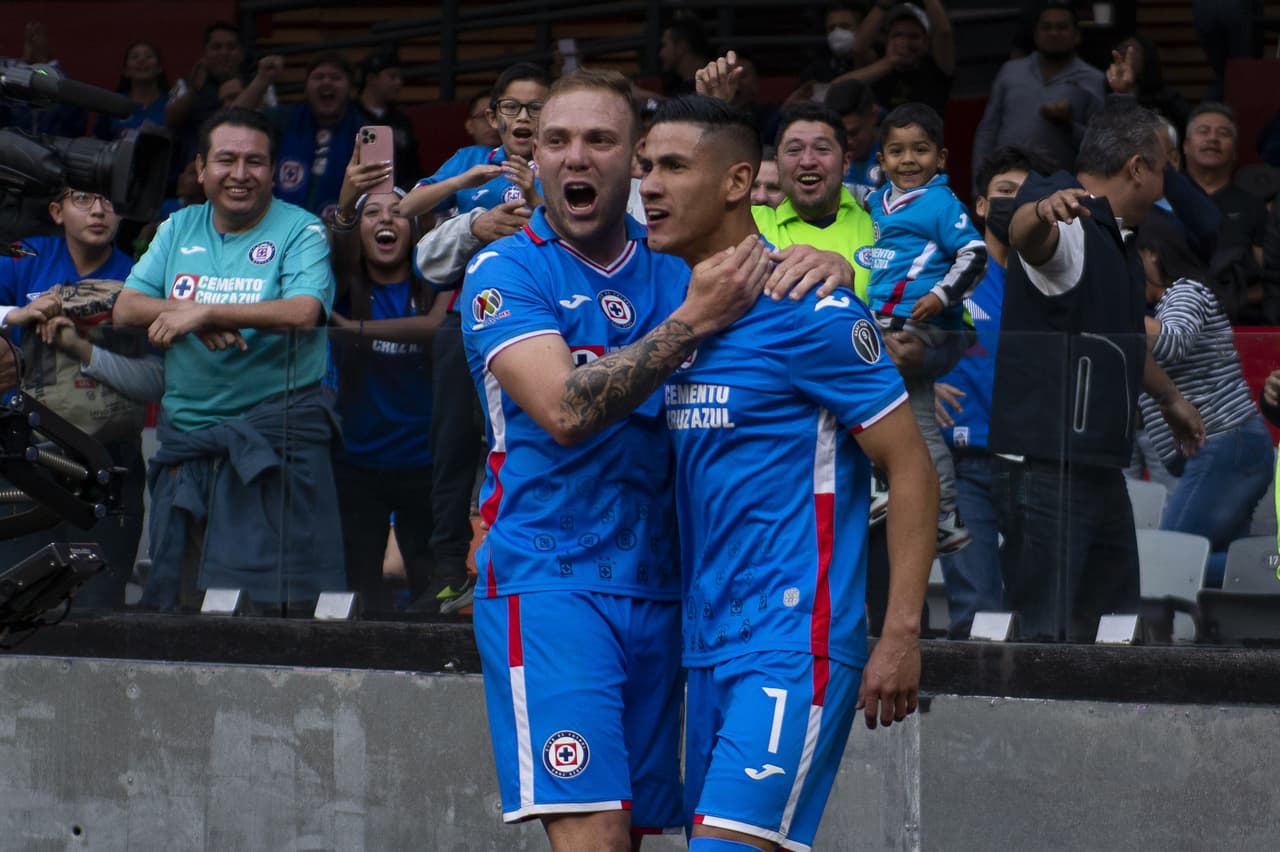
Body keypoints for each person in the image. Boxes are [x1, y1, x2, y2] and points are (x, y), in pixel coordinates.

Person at [459, 67, 845, 851]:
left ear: (634, 160)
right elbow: (565, 411)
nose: (575, 158)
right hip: (551, 579)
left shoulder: (677, 258)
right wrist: (693, 322)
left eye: (601, 141)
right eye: (556, 141)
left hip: (672, 593)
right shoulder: (505, 273)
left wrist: (822, 267)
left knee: (636, 831)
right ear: (530, 159)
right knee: (595, 834)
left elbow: (775, 277)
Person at [638, 93, 934, 852]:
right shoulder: (672, 313)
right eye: (645, 166)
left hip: (792, 641)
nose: (648, 185)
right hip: (700, 648)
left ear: (738, 181)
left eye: (673, 166)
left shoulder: (815, 309)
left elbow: (909, 467)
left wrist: (899, 633)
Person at [114, 107, 345, 613]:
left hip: (272, 443)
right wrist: (194, 314)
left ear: (272, 169)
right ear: (200, 168)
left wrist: (205, 313)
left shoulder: (301, 231)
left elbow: (305, 311)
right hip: (188, 443)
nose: (240, 174)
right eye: (226, 160)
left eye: (254, 162)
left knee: (270, 605)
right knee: (184, 599)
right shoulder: (178, 226)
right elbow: (127, 305)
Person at [989, 104, 1206, 642]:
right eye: (1163, 168)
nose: (1166, 185)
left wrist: (1170, 398)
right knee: (1046, 634)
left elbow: (1119, 337)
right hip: (1047, 469)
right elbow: (1026, 238)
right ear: (1137, 167)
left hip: (1098, 469)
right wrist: (1039, 213)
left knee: (1113, 628)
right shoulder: (1068, 217)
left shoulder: (1115, 235)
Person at [0, 188, 143, 609]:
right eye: (83, 199)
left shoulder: (139, 274)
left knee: (97, 602)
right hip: (25, 453)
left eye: (110, 201)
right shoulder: (26, 255)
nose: (99, 211)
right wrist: (14, 314)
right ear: (55, 211)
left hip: (109, 458)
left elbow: (155, 375)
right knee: (17, 594)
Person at [934, 145, 1052, 637]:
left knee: (1039, 609)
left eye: (1026, 196)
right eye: (1004, 192)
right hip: (962, 467)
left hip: (1034, 464)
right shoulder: (947, 272)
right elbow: (886, 332)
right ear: (980, 205)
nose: (1014, 203)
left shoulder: (1050, 280)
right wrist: (922, 379)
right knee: (977, 610)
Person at [327, 147, 447, 613]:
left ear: (415, 228)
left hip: (426, 462)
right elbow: (337, 248)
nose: (386, 220)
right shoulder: (339, 285)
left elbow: (438, 328)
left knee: (426, 586)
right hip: (357, 463)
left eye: (399, 212)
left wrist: (354, 331)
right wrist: (344, 204)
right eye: (371, 212)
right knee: (358, 587)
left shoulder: (437, 282)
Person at [866, 102, 987, 554]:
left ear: (941, 158)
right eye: (896, 151)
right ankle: (944, 517)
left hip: (919, 326)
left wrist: (940, 297)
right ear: (881, 160)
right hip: (883, 323)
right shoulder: (875, 203)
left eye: (920, 149)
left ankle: (875, 487)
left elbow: (974, 255)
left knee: (843, 394)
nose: (909, 159)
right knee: (918, 423)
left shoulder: (941, 202)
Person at [1135, 213, 1273, 586]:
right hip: (1227, 448)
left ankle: (1267, 570)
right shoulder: (1162, 305)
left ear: (1151, 255)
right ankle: (1260, 574)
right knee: (1209, 561)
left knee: (1166, 563)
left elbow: (1173, 340)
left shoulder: (1186, 291)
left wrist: (1112, 311)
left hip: (1227, 442)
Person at [972, 1, 1106, 183]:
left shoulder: (1094, 80)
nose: (1054, 33)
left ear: (1076, 36)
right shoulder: (1010, 71)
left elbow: (1100, 145)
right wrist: (978, 184)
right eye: (1046, 27)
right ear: (1035, 34)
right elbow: (987, 131)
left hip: (1062, 190)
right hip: (1006, 184)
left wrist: (1068, 126)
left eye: (1062, 27)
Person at [752, 102, 877, 298]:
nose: (808, 161)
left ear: (845, 163)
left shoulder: (882, 222)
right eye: (794, 150)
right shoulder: (749, 221)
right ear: (777, 165)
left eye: (822, 149)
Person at [1182, 102, 1269, 324]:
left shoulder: (1253, 207)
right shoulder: (1163, 200)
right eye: (1203, 131)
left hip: (1240, 322)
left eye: (1224, 133)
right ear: (1186, 146)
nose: (1213, 138)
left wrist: (1231, 299)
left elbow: (1269, 280)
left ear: (1235, 152)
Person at [264, 54, 363, 219]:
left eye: (336, 77)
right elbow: (234, 120)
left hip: (340, 233)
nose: (326, 82)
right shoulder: (284, 119)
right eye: (318, 77)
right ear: (306, 88)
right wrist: (262, 79)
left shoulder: (364, 132)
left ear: (351, 89)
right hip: (280, 227)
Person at [838, 1, 955, 116]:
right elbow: (839, 87)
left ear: (926, 42)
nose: (904, 42)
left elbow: (944, 32)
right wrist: (891, 61)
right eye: (897, 35)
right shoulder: (878, 66)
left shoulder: (937, 66)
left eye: (913, 36)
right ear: (887, 39)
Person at [355, 48, 423, 191]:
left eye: (399, 77)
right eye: (392, 76)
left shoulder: (402, 121)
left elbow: (413, 168)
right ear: (371, 79)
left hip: (396, 199)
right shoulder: (348, 116)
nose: (398, 82)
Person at [94, 41, 169, 141]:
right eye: (135, 57)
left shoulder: (172, 105)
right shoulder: (112, 105)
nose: (142, 60)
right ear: (126, 71)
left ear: (159, 68)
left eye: (149, 56)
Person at [825, 77, 884, 203]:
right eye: (839, 134)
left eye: (853, 133)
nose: (847, 142)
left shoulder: (900, 158)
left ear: (873, 115)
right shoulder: (820, 159)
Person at [659, 17, 712, 96]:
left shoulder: (712, 86)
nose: (661, 53)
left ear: (681, 47)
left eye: (664, 45)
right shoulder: (675, 83)